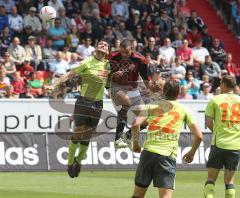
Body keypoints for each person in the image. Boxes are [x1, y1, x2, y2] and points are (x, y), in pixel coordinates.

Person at [130, 80, 202, 198]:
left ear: (163, 91)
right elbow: (199, 136)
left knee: (137, 195)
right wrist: (192, 153)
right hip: (167, 156)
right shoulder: (184, 109)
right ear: (178, 92)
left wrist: (136, 144)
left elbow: (135, 124)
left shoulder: (152, 105)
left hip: (148, 153)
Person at [50, 40, 110, 178]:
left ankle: (79, 160)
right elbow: (69, 74)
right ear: (96, 48)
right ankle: (70, 161)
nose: (103, 45)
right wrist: (55, 84)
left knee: (88, 135)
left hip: (98, 104)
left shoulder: (108, 66)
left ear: (108, 51)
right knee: (78, 133)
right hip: (83, 102)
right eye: (101, 44)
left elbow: (113, 84)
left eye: (106, 45)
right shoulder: (87, 62)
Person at [109, 38, 150, 148]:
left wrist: (150, 89)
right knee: (126, 102)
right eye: (122, 52)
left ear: (132, 49)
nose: (124, 55)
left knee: (146, 120)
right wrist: (112, 75)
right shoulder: (112, 57)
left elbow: (146, 78)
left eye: (126, 52)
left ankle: (128, 135)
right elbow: (104, 75)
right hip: (116, 87)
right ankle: (118, 138)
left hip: (133, 89)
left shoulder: (140, 60)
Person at [203, 75, 240, 198]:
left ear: (223, 84)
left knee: (210, 179)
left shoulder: (215, 100)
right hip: (235, 146)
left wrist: (218, 131)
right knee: (229, 182)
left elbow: (208, 123)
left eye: (220, 83)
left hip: (218, 144)